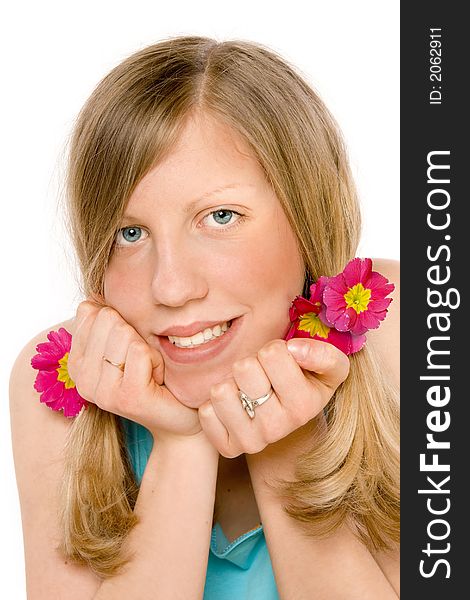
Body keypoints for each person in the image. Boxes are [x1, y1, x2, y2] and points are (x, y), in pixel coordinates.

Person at [9, 36, 400, 599]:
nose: (170, 286)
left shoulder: (399, 327)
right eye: (130, 233)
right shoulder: (58, 380)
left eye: (220, 216)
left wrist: (282, 447)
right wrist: (181, 441)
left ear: (307, 216)